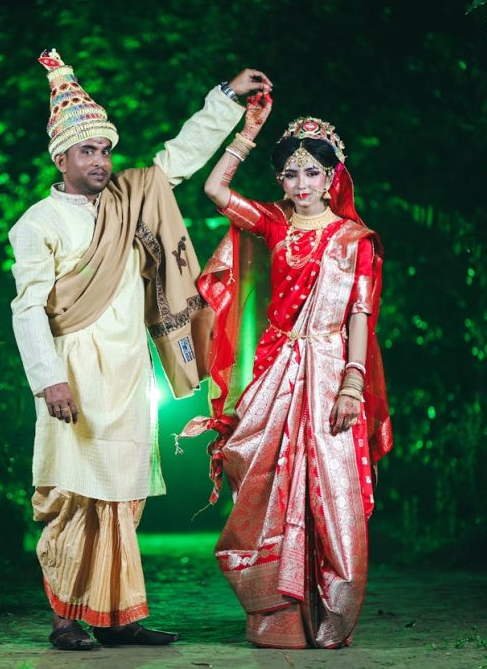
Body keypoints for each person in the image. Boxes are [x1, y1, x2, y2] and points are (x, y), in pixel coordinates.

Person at [9, 48, 272, 651]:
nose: (100, 161)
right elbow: (27, 308)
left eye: (105, 149)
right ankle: (66, 620)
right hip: (72, 374)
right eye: (87, 151)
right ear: (61, 157)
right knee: (73, 493)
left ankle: (121, 617)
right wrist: (47, 379)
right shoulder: (36, 223)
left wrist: (227, 100)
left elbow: (179, 156)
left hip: (129, 372)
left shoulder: (131, 200)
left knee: (124, 493)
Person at [178, 94, 393, 648]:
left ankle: (330, 616)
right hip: (276, 367)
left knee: (331, 488)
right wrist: (248, 131)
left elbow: (359, 316)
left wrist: (352, 384)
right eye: (290, 173)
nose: (301, 183)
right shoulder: (274, 223)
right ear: (280, 179)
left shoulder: (354, 242)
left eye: (312, 173)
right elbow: (215, 191)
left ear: (331, 178)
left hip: (328, 373)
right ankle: (276, 616)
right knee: (261, 475)